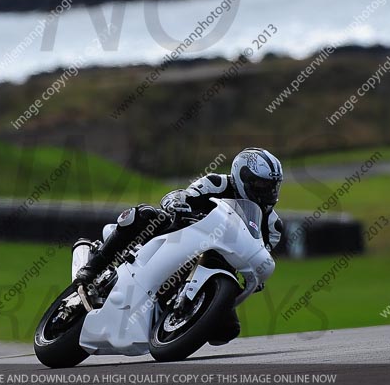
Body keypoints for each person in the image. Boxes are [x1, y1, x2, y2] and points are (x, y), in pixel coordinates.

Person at [73, 147, 284, 343]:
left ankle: (176, 318)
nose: (269, 192)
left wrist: (258, 276)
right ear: (243, 177)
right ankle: (93, 268)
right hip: (181, 234)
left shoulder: (273, 225)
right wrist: (176, 201)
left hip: (218, 262)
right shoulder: (217, 183)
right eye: (262, 185)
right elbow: (183, 194)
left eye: (273, 185)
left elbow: (262, 254)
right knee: (143, 215)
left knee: (227, 330)